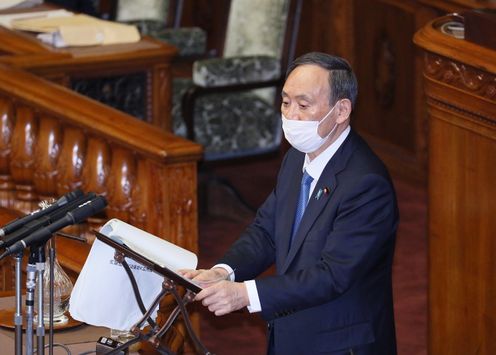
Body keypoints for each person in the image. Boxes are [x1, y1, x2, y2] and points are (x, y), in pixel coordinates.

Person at [181, 52, 398, 354]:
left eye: (304, 104)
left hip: (339, 344)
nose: (291, 115)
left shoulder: (366, 185)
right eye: (285, 102)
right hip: (290, 335)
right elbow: (266, 231)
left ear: (341, 110)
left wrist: (245, 294)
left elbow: (331, 274)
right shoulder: (296, 158)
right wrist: (225, 271)